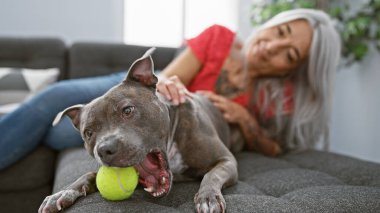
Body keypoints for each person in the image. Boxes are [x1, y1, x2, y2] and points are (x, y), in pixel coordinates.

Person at [0, 8, 341, 170]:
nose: (273, 48)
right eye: (281, 34)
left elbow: (275, 148)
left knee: (59, 133)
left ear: (294, 69)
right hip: (137, 92)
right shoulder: (220, 37)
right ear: (275, 24)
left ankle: (14, 119)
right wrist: (170, 84)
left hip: (143, 124)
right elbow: (163, 81)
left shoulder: (277, 99)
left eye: (289, 54)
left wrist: (247, 122)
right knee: (53, 101)